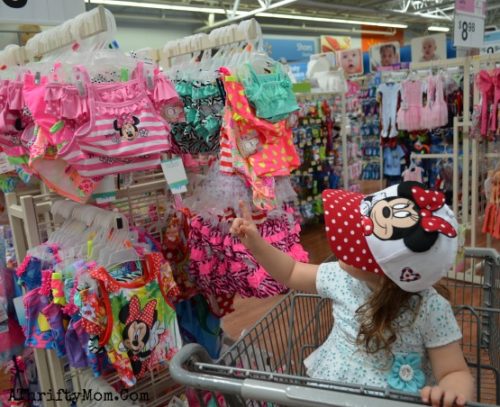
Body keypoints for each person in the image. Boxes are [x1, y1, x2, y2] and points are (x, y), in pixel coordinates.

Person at [230, 181, 474, 407]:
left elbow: (454, 372)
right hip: (334, 386)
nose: (341, 244)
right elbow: (292, 271)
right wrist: (257, 244)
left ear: (385, 274)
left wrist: (451, 392)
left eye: (353, 242)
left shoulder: (431, 309)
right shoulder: (341, 276)